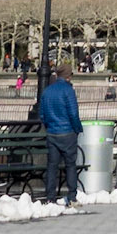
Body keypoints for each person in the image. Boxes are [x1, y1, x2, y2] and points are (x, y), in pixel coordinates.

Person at [39, 68, 83, 206]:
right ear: (68, 76)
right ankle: (71, 197)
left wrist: (49, 127)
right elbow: (73, 114)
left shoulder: (47, 91)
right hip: (67, 133)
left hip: (52, 133)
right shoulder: (68, 90)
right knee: (70, 165)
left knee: (52, 166)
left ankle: (50, 197)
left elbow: (42, 114)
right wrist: (77, 129)